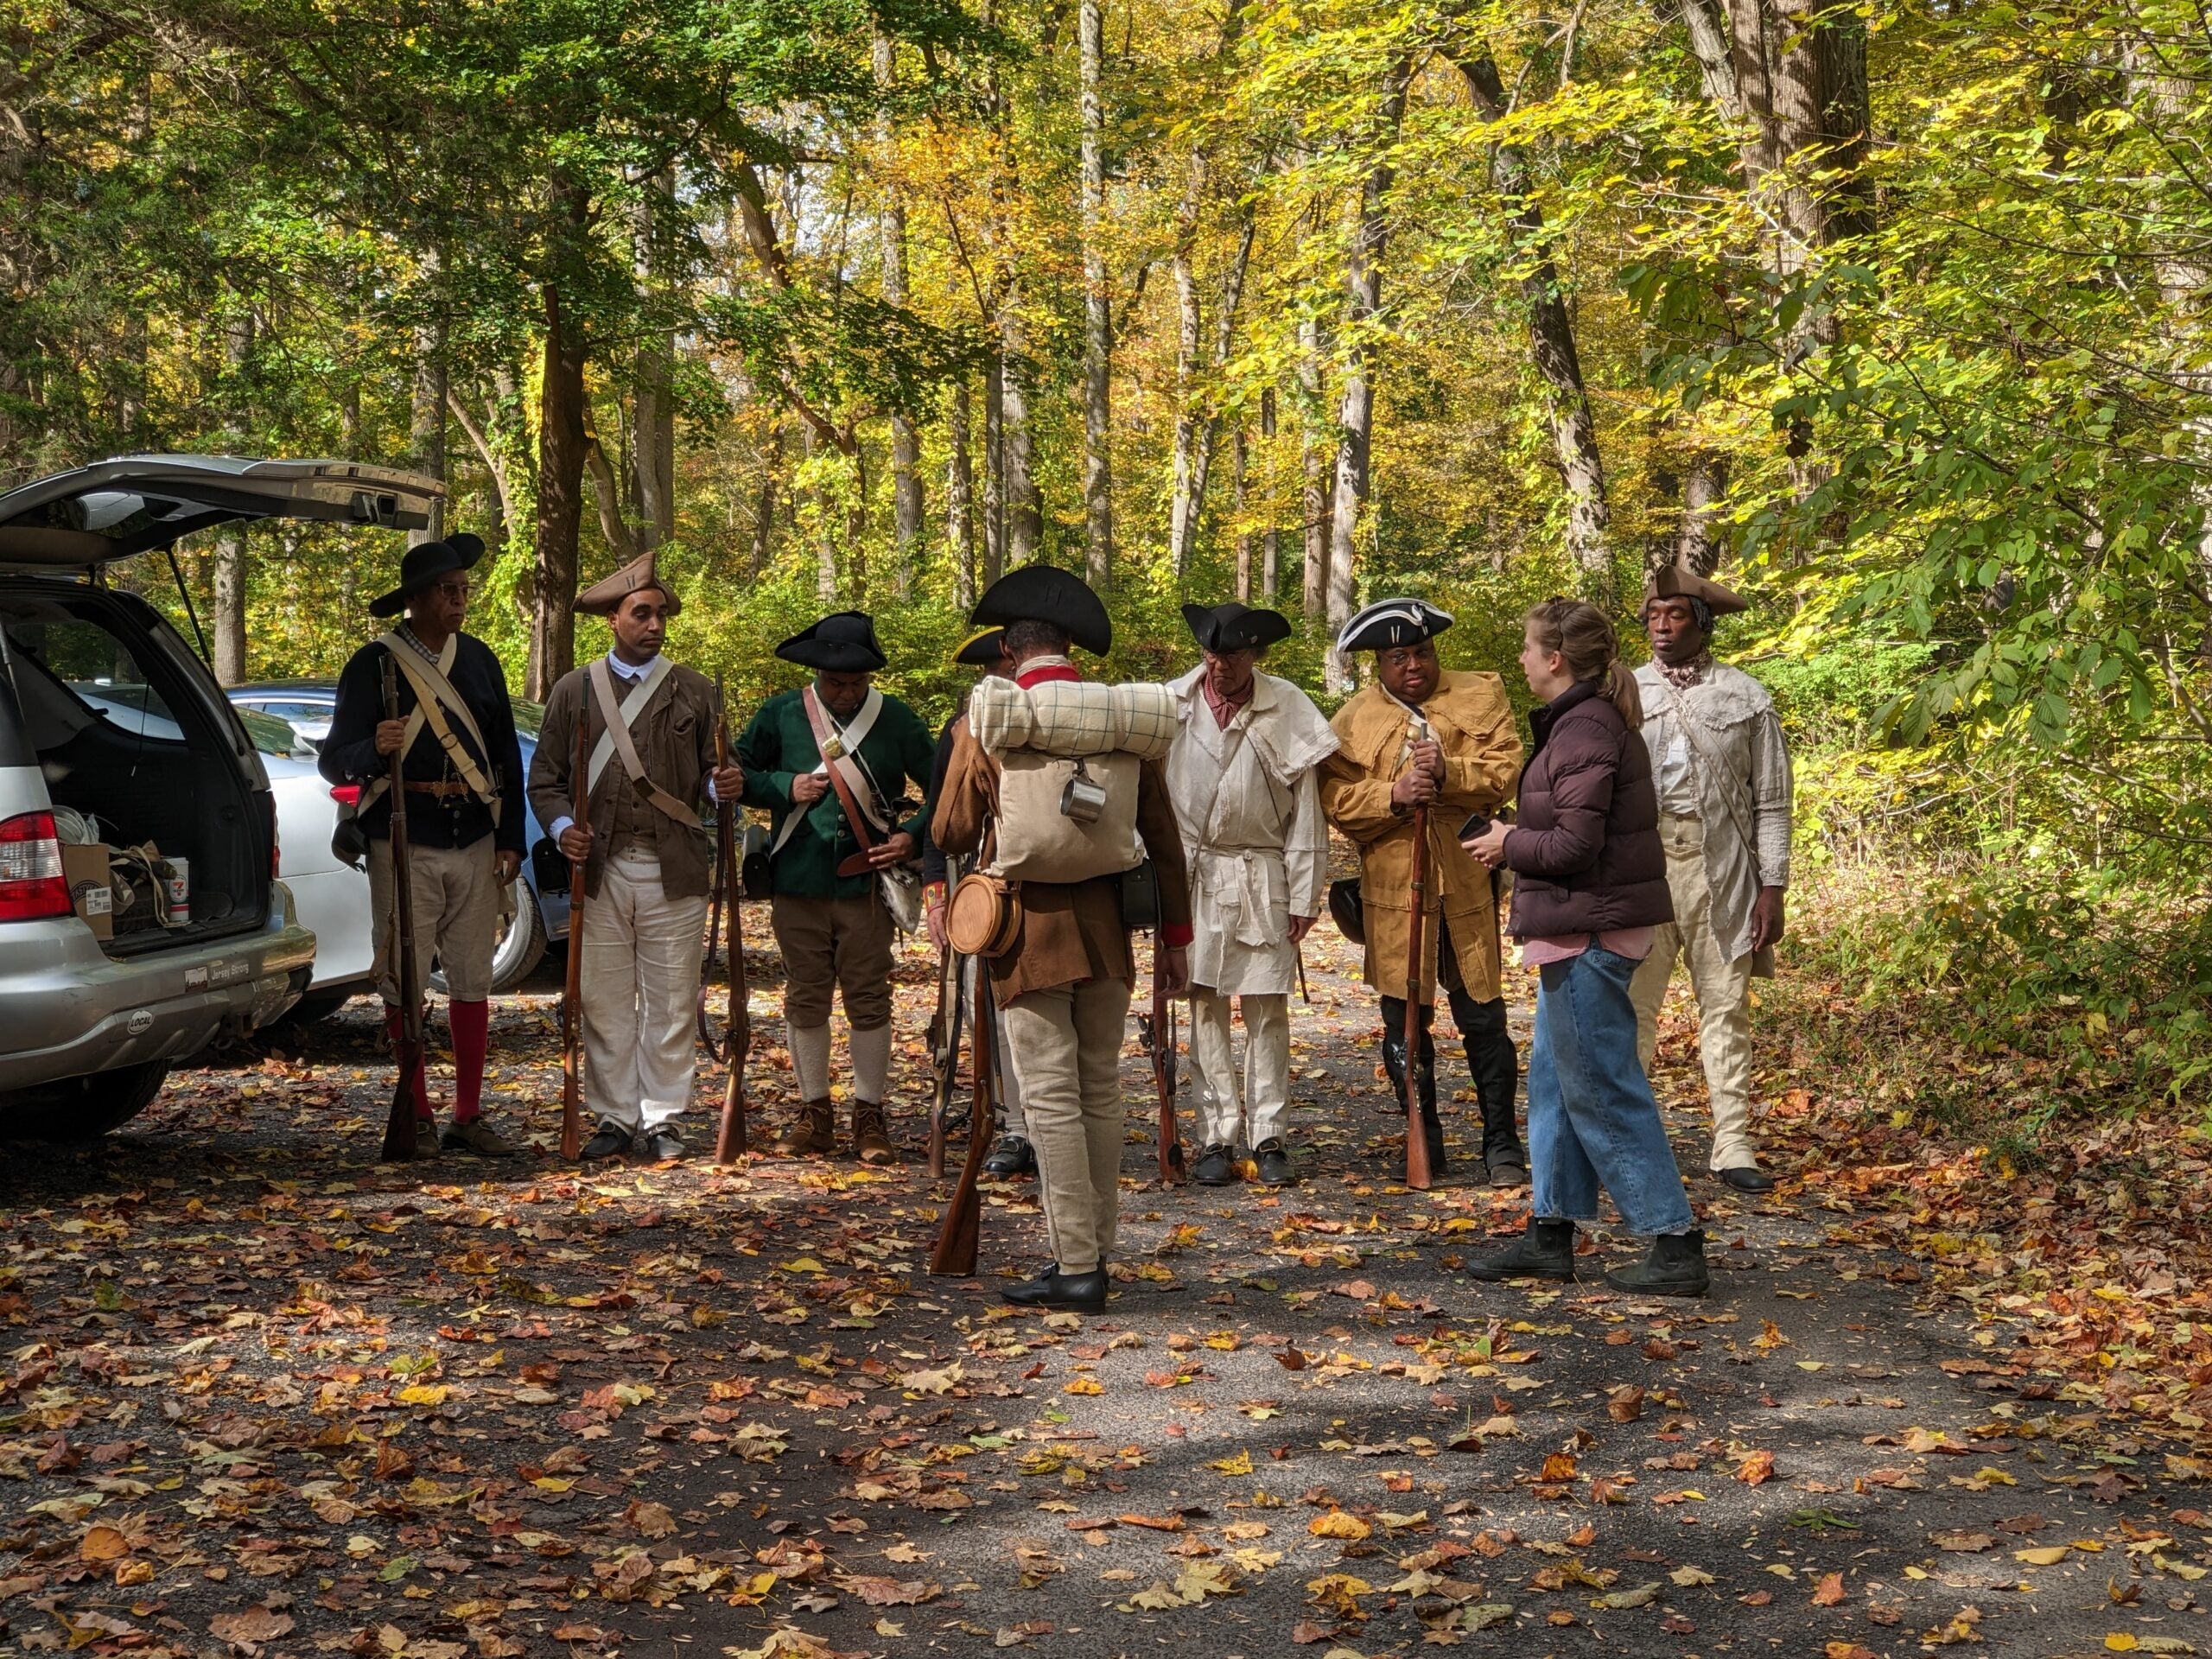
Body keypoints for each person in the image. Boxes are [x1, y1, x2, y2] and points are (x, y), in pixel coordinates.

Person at [932, 566, 1193, 1313]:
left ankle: (1075, 1266)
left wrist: (964, 749)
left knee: (1047, 1096)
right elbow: (1164, 843)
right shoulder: (1124, 721)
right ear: (1072, 651)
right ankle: (1096, 1252)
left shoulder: (993, 720)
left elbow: (949, 830)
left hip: (1028, 932)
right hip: (1111, 927)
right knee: (1100, 1091)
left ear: (1011, 655)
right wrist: (1175, 939)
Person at [1462, 599, 1707, 1296]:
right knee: (1554, 1088)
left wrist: (1510, 843)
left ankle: (1674, 1239)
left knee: (1600, 1086)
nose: (1520, 658)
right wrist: (1515, 829)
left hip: (1590, 933)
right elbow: (1573, 825)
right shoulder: (1578, 724)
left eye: (1526, 647)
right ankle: (1552, 1232)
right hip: (1579, 928)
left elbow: (1575, 845)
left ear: (1555, 658)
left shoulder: (1586, 729)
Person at [528, 552, 741, 1161]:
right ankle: (615, 1116)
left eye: (661, 615)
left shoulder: (695, 690)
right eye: (642, 614)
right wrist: (564, 827)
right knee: (603, 997)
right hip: (596, 871)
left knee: (672, 998)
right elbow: (544, 780)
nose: (655, 625)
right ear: (614, 620)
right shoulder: (574, 690)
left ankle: (663, 1117)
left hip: (674, 866)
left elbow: (713, 773)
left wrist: (720, 784)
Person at [321, 533, 527, 1159]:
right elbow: (335, 762)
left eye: (463, 588)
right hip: (402, 839)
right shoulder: (373, 664)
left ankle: (467, 1113)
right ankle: (416, 1112)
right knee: (404, 981)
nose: (461, 598)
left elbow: (503, 760)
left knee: (470, 978)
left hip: (474, 836)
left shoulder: (481, 659)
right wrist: (373, 748)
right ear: (416, 599)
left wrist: (511, 839)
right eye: (448, 590)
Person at [1318, 599, 1526, 1184]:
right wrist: (1394, 793)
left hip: (1465, 884)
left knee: (1483, 1017)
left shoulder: (1481, 694)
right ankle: (1423, 1137)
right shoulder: (1351, 722)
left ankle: (1501, 1142)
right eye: (1398, 656)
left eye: (1423, 652)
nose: (1414, 665)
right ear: (1377, 665)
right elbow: (1334, 801)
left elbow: (1507, 768)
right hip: (1392, 896)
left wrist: (1450, 774)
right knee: (1403, 1024)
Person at [739, 613, 935, 1165]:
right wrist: (784, 786)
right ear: (817, 674)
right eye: (836, 682)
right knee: (806, 995)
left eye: (856, 682)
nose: (847, 692)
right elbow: (732, 771)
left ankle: (870, 1114)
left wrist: (910, 837)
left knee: (869, 998)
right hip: (796, 880)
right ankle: (814, 1112)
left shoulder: (894, 719)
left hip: (867, 886)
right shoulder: (781, 713)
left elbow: (945, 783)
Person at [1626, 566, 1795, 1192]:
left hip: (1721, 867)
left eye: (1674, 616)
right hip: (1642, 867)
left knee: (1725, 1007)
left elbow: (1772, 802)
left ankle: (1733, 1143)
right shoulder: (1623, 691)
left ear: (1702, 624)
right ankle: (1631, 1145)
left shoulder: (1746, 696)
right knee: (1632, 1007)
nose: (1662, 627)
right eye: (1653, 617)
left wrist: (1772, 885)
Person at [1165, 602, 1338, 1188]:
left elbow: (1307, 815)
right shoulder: (1173, 702)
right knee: (1204, 1005)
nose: (1220, 666)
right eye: (1212, 653)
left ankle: (1268, 1135)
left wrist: (1304, 895)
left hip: (1264, 872)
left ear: (1255, 655)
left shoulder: (1286, 704)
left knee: (1266, 1009)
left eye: (1233, 654)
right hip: (1196, 873)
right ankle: (1216, 1135)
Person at [921, 627, 1034, 1179]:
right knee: (984, 1012)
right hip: (979, 890)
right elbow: (937, 825)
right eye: (993, 674)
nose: (999, 681)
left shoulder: (1055, 721)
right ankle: (1010, 1125)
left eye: (1007, 670)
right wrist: (938, 898)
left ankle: (1043, 1125)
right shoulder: (961, 730)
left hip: (1043, 886)